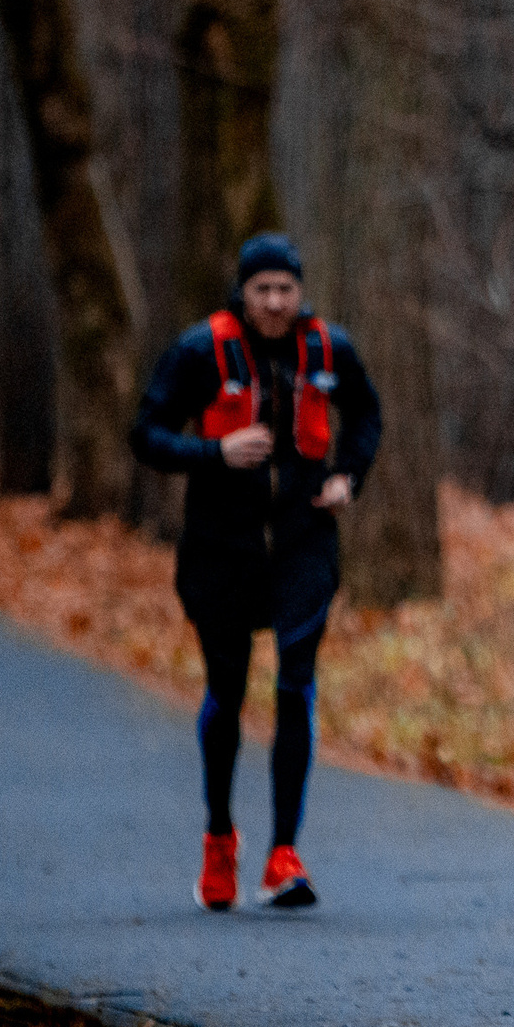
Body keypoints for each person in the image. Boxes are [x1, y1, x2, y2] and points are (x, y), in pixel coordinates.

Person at [130, 233, 382, 913]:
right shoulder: (197, 351)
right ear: (242, 292)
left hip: (303, 543)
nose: (274, 301)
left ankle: (283, 854)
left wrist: (347, 478)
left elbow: (367, 415)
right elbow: (145, 433)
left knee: (296, 682)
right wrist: (215, 449)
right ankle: (219, 837)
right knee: (227, 691)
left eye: (286, 289)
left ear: (301, 293)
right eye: (262, 288)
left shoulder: (330, 350)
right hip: (221, 548)